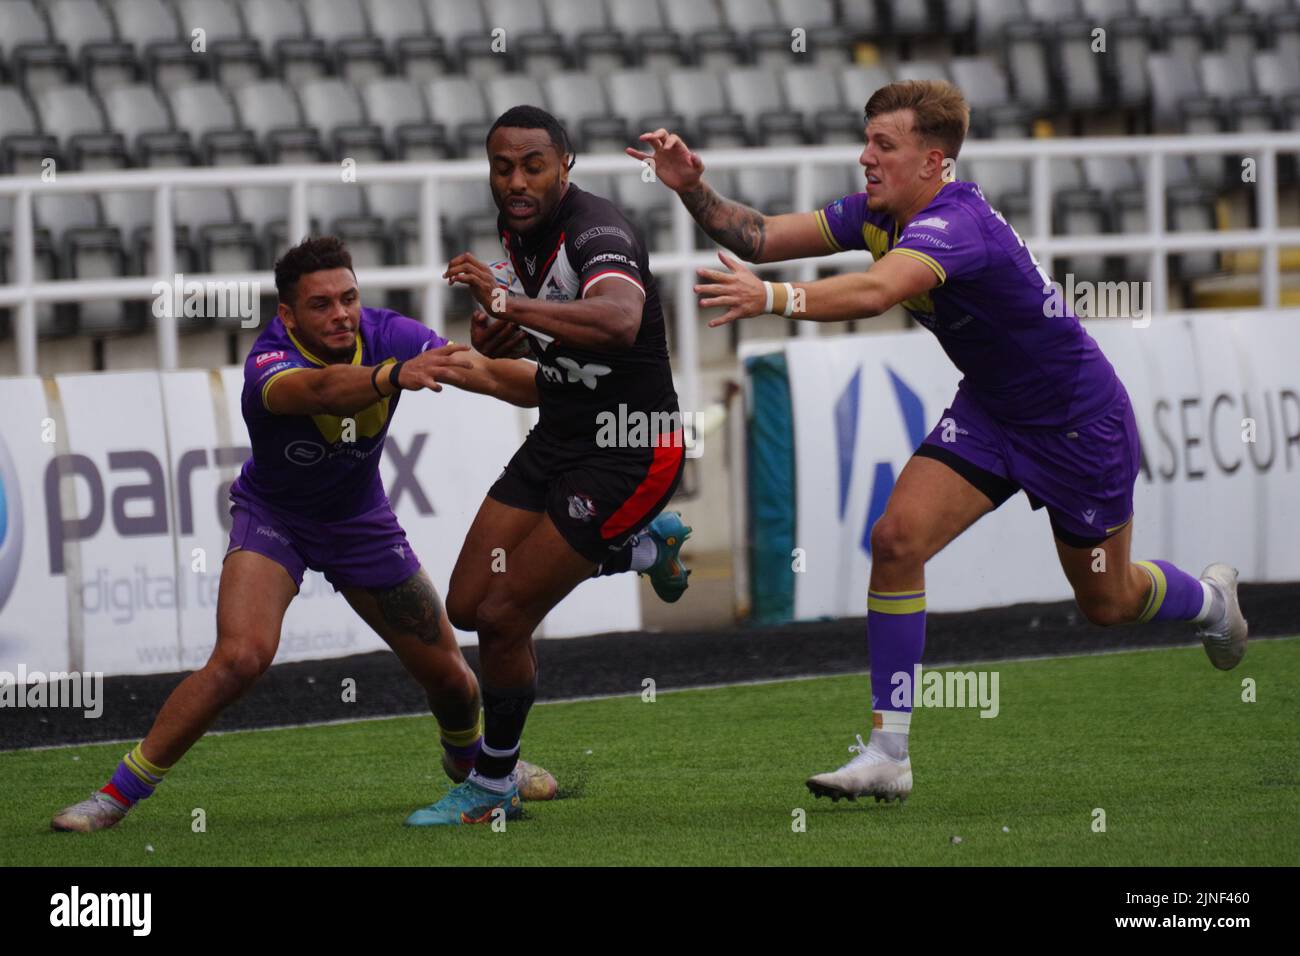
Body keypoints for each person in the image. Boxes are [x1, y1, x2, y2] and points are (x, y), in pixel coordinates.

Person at [628, 80, 1249, 804]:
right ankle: (889, 754)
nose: (865, 158)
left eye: (883, 146)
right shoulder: (878, 212)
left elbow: (871, 294)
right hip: (992, 412)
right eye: (867, 141)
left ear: (933, 161)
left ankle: (1210, 602)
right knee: (896, 539)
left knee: (1106, 601)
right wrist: (693, 190)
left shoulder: (957, 225)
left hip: (1078, 423)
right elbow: (759, 237)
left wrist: (773, 298)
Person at [52, 235, 557, 833]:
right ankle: (114, 794)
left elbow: (486, 373)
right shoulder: (268, 361)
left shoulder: (387, 331)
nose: (341, 314)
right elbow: (319, 391)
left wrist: (571, 388)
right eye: (321, 305)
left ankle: (474, 764)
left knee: (453, 679)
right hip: (274, 519)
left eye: (348, 298)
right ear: (288, 314)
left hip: (359, 522)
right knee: (240, 658)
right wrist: (396, 374)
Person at [403, 105, 691, 826]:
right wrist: (501, 332)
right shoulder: (518, 228)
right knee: (469, 605)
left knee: (503, 619)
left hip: (631, 448)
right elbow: (539, 344)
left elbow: (619, 322)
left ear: (566, 166)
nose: (517, 180)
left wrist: (509, 302)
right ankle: (647, 546)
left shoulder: (599, 230)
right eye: (503, 166)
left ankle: (494, 784)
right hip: (561, 434)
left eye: (533, 164)